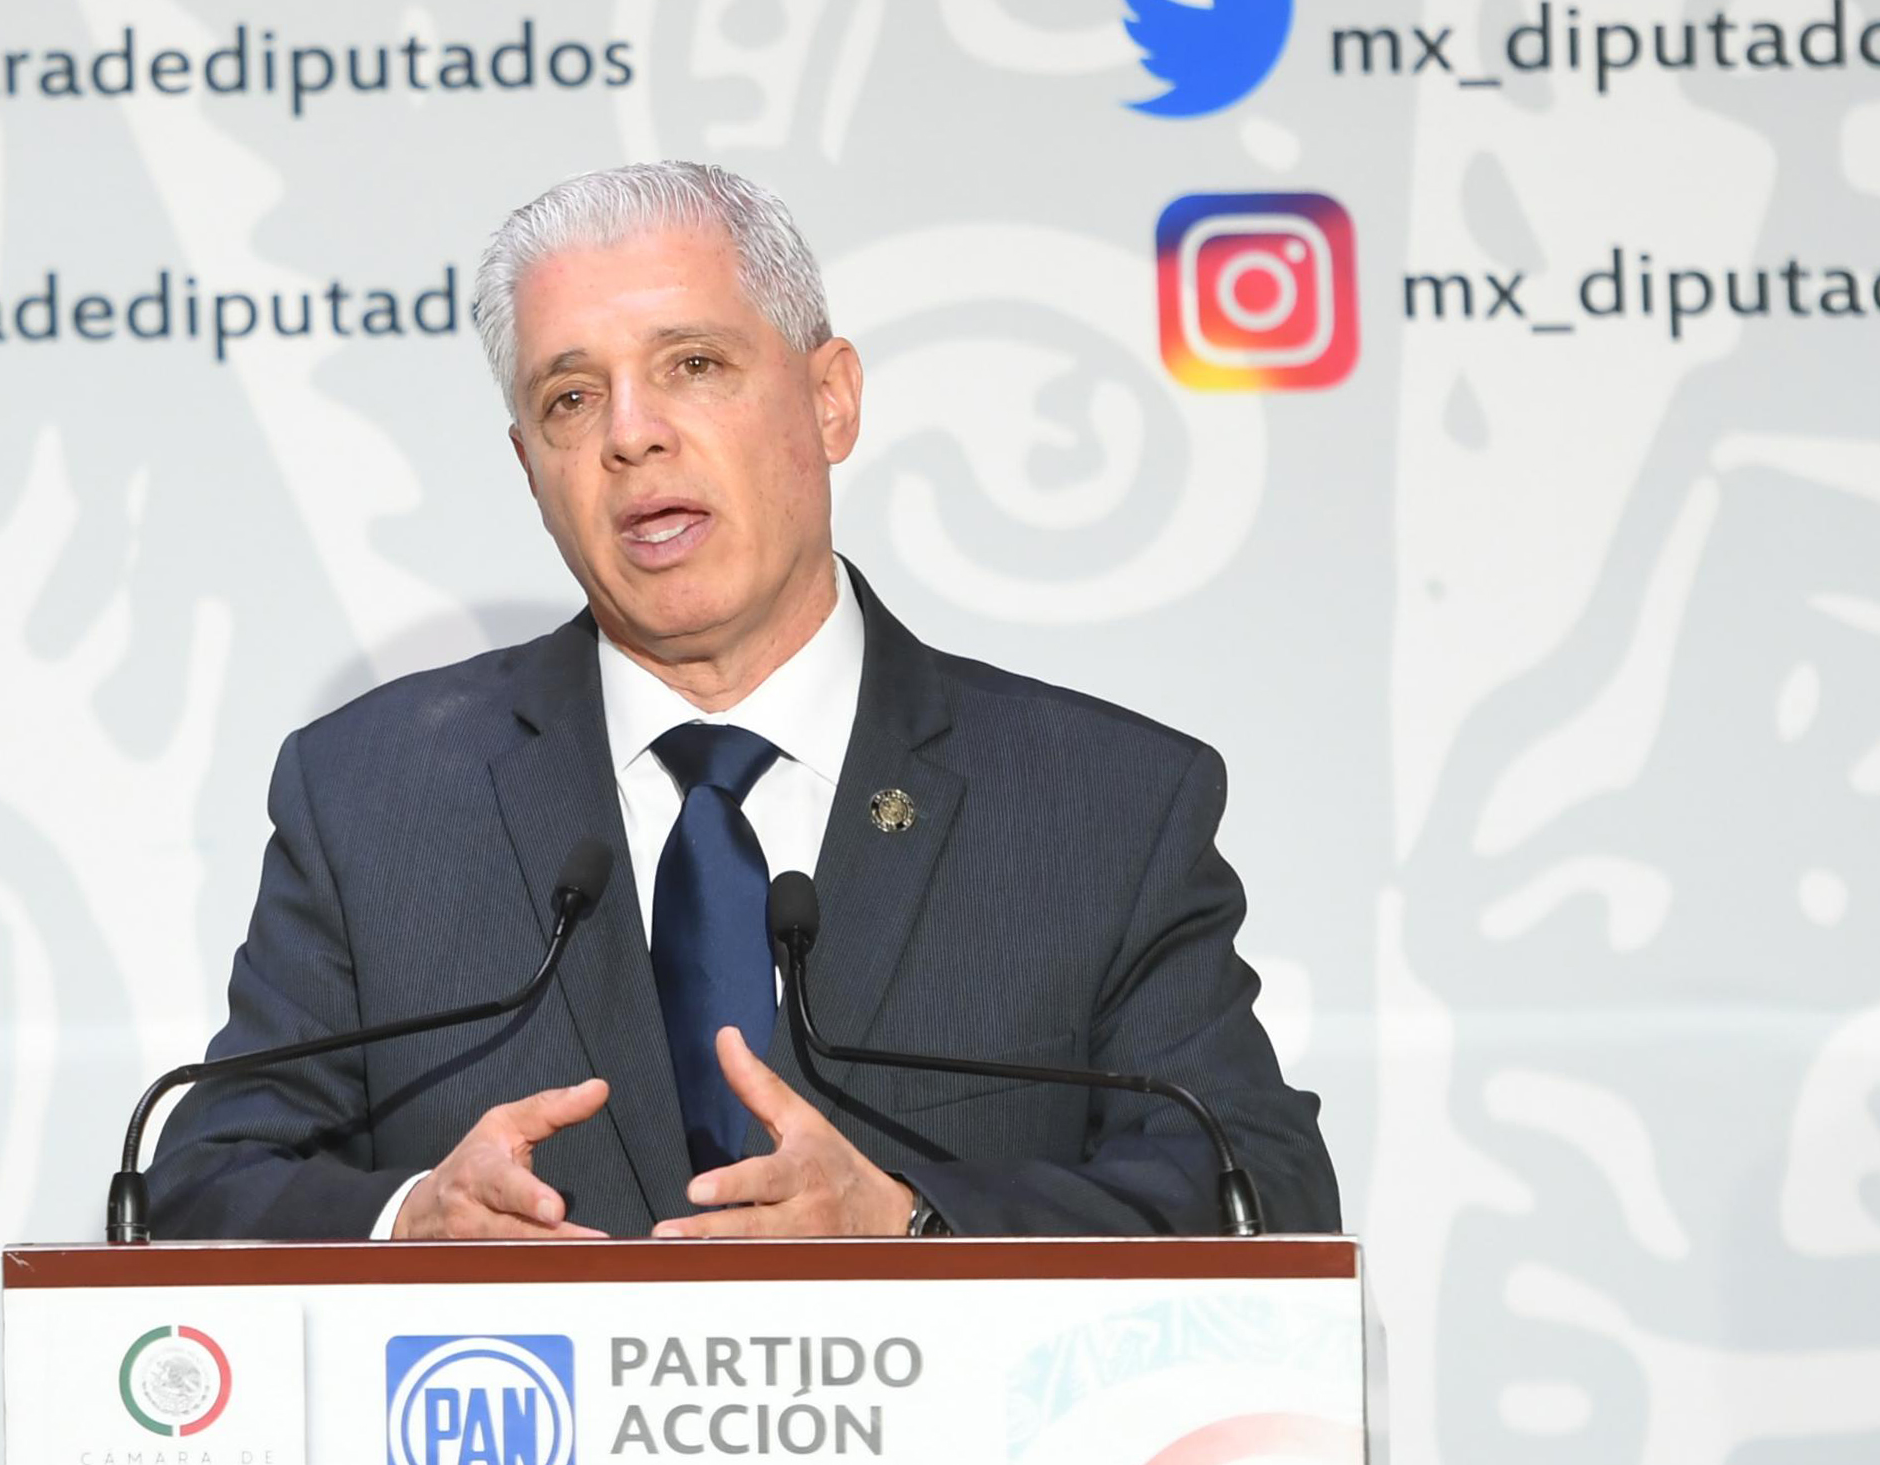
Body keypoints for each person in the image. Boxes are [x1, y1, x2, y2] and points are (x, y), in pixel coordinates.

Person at [146, 161, 1339, 1242]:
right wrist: (410, 1221)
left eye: (693, 366)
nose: (630, 436)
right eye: (570, 398)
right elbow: (202, 1185)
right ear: (529, 469)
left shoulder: (1102, 804)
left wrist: (913, 1225)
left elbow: (1262, 1185)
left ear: (831, 400)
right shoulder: (373, 799)